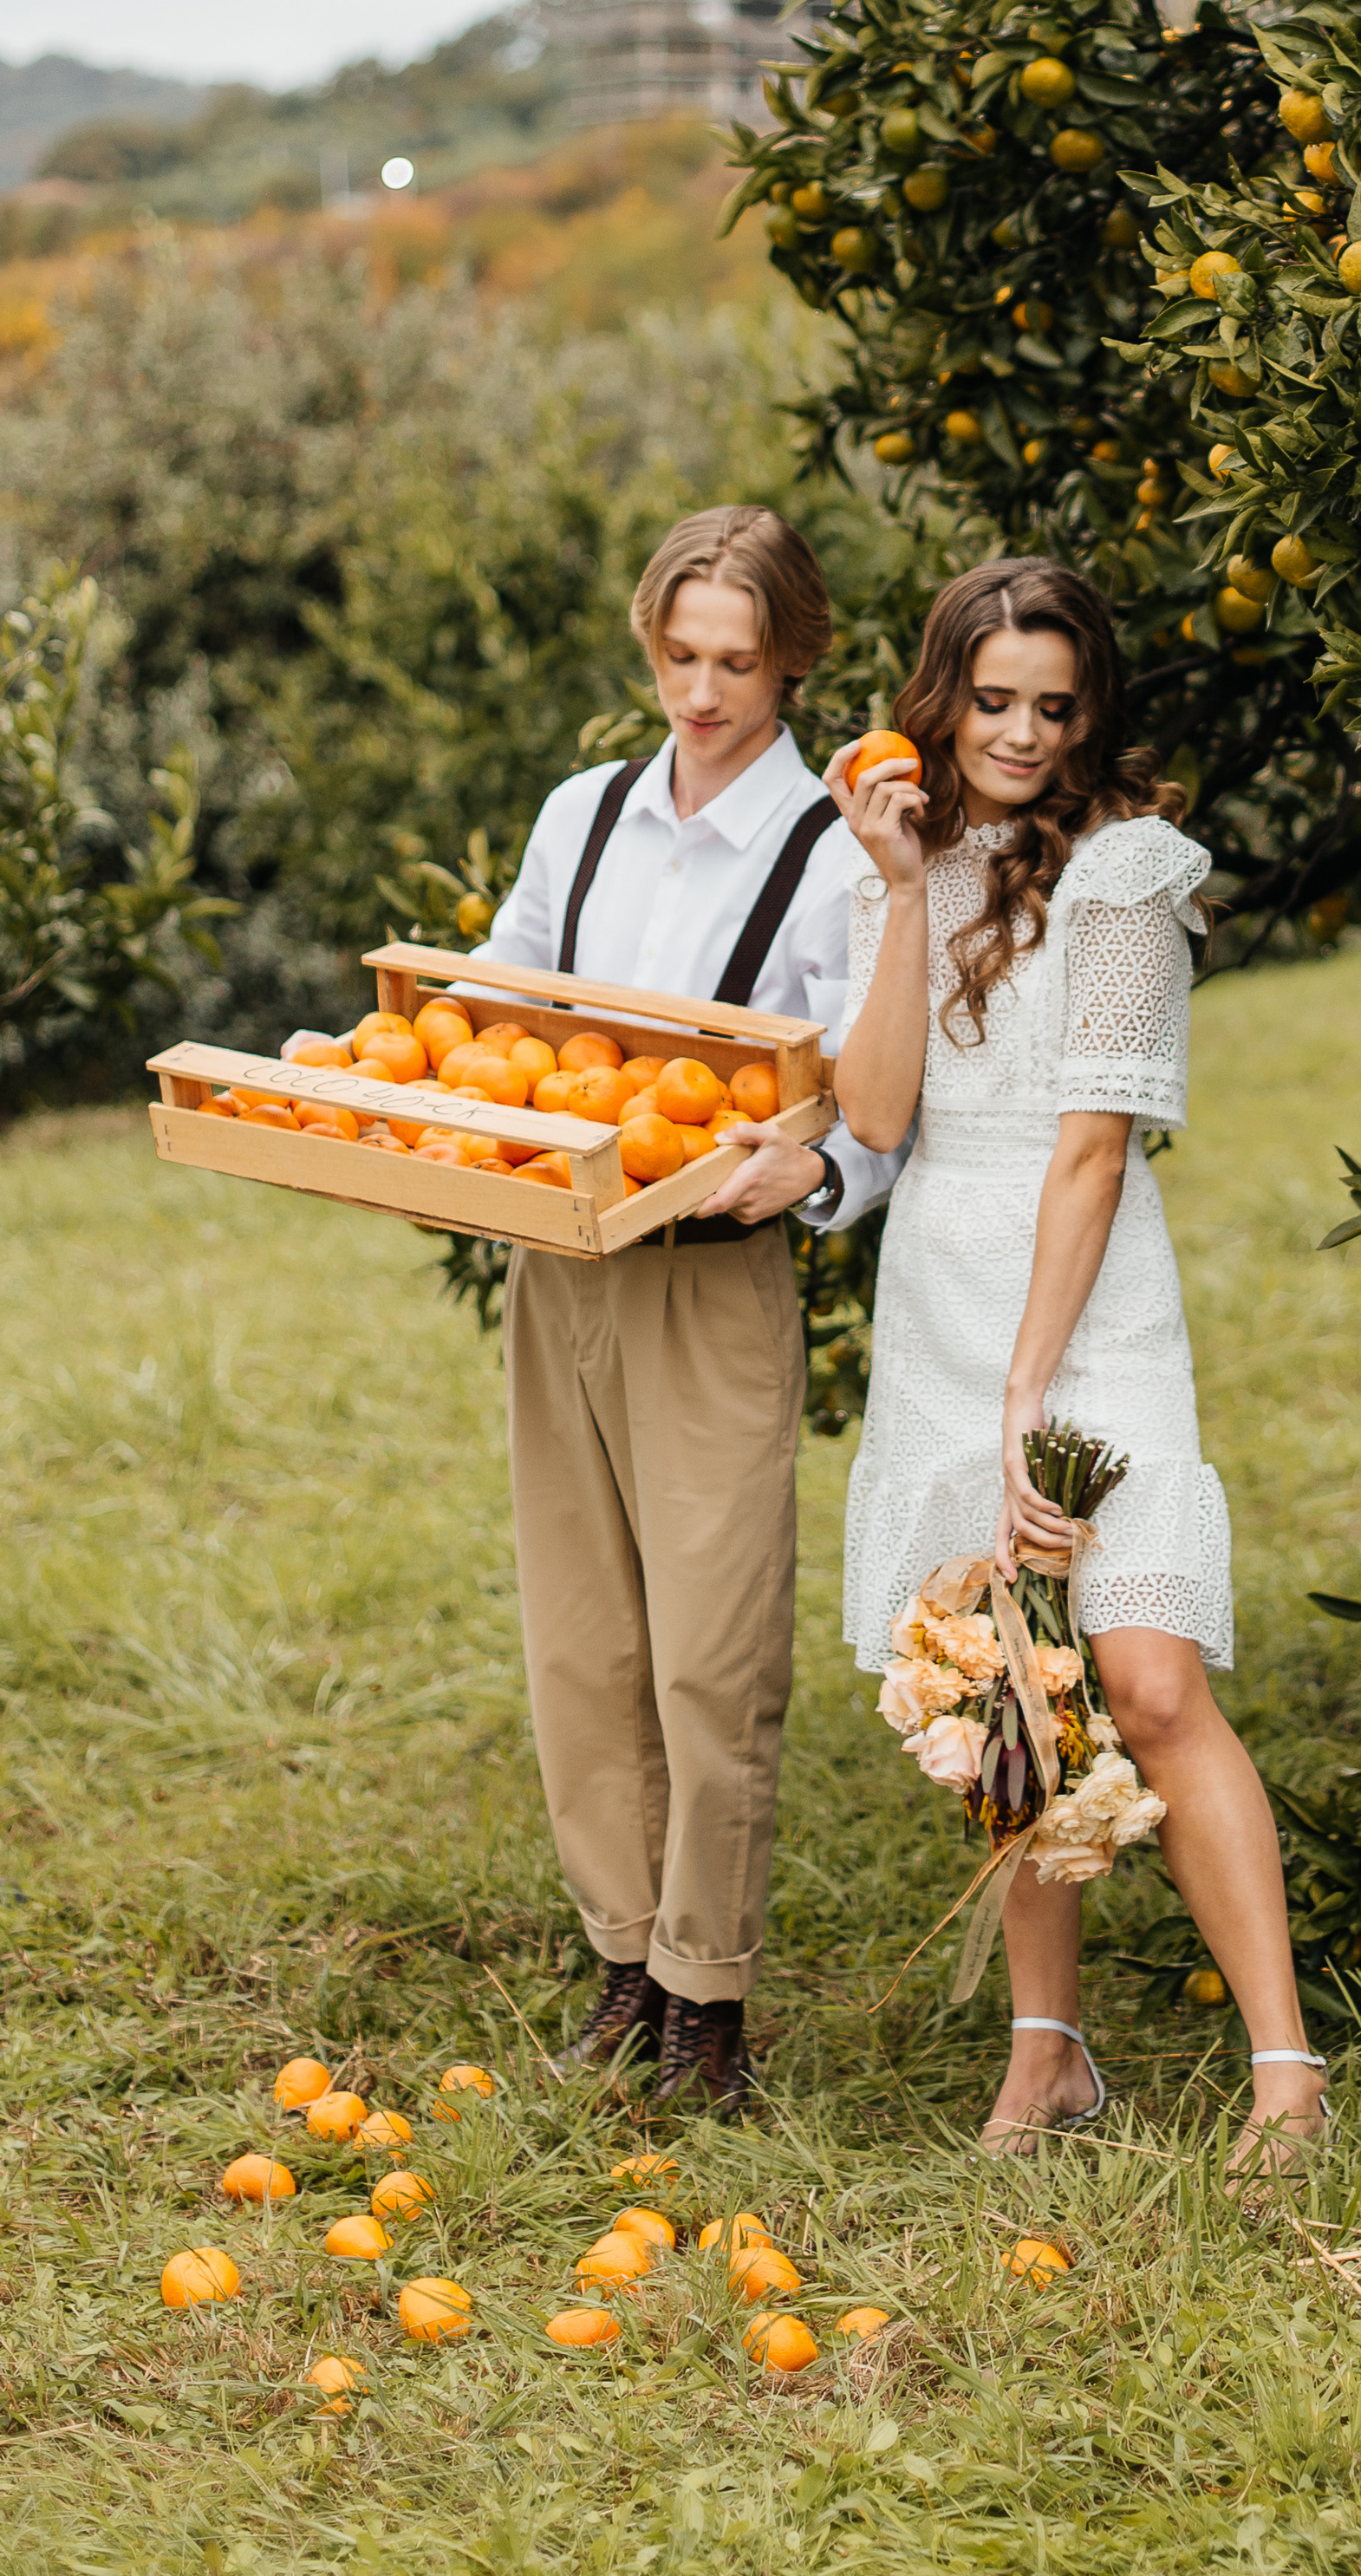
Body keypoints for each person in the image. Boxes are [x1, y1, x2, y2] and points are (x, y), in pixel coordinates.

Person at [830, 558, 1327, 2183]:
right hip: (940, 1298)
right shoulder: (900, 860)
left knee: (1148, 1685)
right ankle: (1046, 2056)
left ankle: (1285, 2076)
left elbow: (1096, 1150)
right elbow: (884, 1117)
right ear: (943, 695)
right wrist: (904, 892)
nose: (1023, 734)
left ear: (1089, 709)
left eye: (1055, 705)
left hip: (1084, 1306)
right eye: (992, 703)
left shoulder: (1127, 872)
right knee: (1003, 1697)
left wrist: (1030, 1397)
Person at [465, 505, 898, 2115]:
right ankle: (623, 1963)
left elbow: (875, 1094)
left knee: (711, 1654)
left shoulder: (835, 854)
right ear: (649, 639)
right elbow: (498, 1000)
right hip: (558, 1271)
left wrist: (822, 1180)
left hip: (714, 1288)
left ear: (794, 661)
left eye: (741, 664)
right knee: (582, 1642)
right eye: (680, 656)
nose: (705, 694)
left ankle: (710, 1997)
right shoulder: (582, 814)